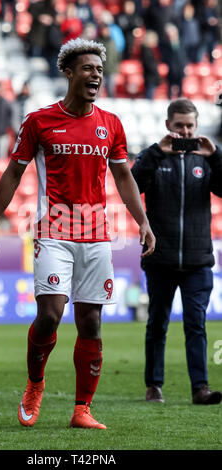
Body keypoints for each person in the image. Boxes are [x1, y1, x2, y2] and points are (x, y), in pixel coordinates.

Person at [0, 38, 155, 429]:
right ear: (69, 72)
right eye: (89, 68)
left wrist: (142, 221)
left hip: (97, 234)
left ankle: (81, 409)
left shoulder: (111, 124)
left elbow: (123, 176)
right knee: (51, 315)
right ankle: (35, 384)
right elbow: (12, 173)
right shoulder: (40, 121)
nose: (96, 75)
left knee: (91, 322)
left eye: (100, 70)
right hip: (53, 231)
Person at [131, 98, 222, 406]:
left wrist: (217, 157)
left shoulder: (206, 160)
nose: (185, 131)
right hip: (160, 259)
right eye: (179, 125)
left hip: (198, 260)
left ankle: (200, 388)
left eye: (190, 126)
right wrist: (158, 152)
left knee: (196, 324)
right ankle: (153, 386)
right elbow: (131, 183)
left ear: (196, 127)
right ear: (168, 125)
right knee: (157, 323)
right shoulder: (154, 157)